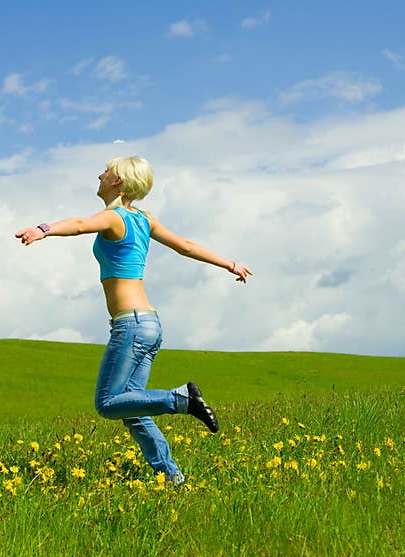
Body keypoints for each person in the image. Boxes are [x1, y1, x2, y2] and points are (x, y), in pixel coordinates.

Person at [14, 156, 252, 485]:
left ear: (118, 182)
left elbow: (81, 224)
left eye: (106, 171)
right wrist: (230, 264)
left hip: (132, 324)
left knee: (108, 403)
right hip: (148, 324)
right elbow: (185, 245)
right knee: (133, 410)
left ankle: (180, 399)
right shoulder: (144, 220)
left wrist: (43, 230)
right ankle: (173, 480)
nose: (99, 174)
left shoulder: (114, 218)